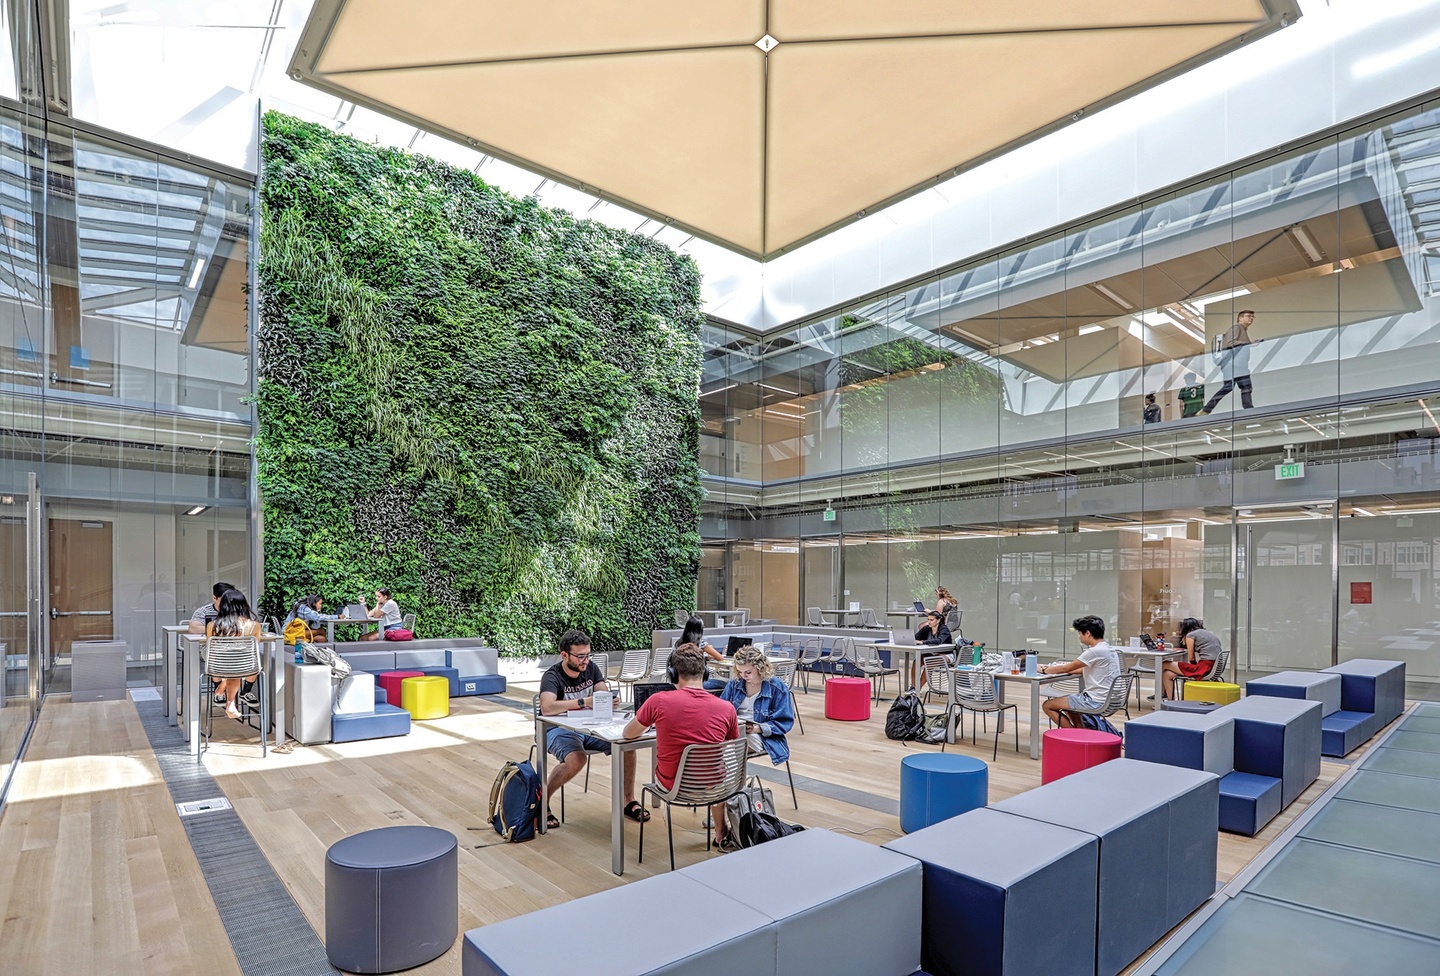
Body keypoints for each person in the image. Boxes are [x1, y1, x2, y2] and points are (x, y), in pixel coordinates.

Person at [623, 643, 739, 845]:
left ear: (673, 674)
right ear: (706, 674)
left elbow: (628, 734)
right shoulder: (727, 708)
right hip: (715, 787)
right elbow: (730, 742)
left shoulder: (658, 701)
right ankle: (721, 832)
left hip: (673, 786)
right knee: (713, 772)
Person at [539, 629, 642, 829]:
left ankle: (627, 800)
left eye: (588, 655)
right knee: (577, 758)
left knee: (627, 744)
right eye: (580, 656)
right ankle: (543, 802)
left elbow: (602, 693)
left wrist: (609, 700)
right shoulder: (552, 676)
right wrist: (582, 701)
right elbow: (547, 707)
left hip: (589, 727)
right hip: (556, 729)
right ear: (564, 655)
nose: (585, 661)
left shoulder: (591, 668)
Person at [1039, 615, 1122, 728]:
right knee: (1071, 708)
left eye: (1079, 633)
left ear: (1087, 633)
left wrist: (1044, 670)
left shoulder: (1094, 651)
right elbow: (1083, 669)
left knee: (1047, 705)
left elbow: (1066, 668)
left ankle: (1075, 737)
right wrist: (1066, 670)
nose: (1079, 637)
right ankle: (1081, 733)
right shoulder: (1109, 649)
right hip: (1112, 699)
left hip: (1096, 701)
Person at [718, 646, 794, 768]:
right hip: (733, 731)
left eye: (748, 672)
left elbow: (785, 722)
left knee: (727, 752)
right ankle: (733, 784)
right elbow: (720, 710)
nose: (743, 676)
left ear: (760, 668)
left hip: (761, 736)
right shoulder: (735, 683)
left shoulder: (777, 687)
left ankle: (733, 785)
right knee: (716, 748)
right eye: (740, 672)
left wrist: (757, 728)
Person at [206, 588, 261, 720]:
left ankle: (224, 691)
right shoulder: (255, 625)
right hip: (246, 668)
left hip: (217, 669)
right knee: (236, 664)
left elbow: (210, 648)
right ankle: (230, 702)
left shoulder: (212, 625)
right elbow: (254, 648)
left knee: (231, 665)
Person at [1199, 310, 1256, 414]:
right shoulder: (1236, 328)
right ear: (1240, 318)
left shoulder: (1243, 330)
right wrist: (1249, 343)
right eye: (1248, 316)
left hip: (1239, 366)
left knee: (1245, 387)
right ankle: (1206, 409)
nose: (1251, 318)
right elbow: (1230, 343)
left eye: (1252, 317)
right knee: (1230, 387)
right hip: (1233, 365)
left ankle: (1249, 410)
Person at [1161, 617, 1222, 699]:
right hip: (1215, 666)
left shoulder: (1191, 635)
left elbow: (1191, 658)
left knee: (1164, 664)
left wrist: (1194, 666)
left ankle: (1160, 694)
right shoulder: (1208, 633)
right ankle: (1170, 701)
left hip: (1204, 668)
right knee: (1167, 674)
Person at [679, 615, 726, 691]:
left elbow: (687, 658)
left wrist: (704, 657)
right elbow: (720, 658)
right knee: (727, 684)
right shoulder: (701, 644)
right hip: (699, 682)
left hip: (681, 682)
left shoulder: (678, 643)